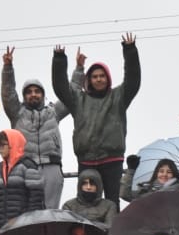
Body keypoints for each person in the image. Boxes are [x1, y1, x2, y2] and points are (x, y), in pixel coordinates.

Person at [52, 37, 141, 203]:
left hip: (112, 159)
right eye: (94, 76)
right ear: (89, 80)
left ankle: (112, 230)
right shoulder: (77, 100)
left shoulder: (119, 97)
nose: (99, 79)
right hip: (86, 160)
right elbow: (61, 87)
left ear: (107, 78)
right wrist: (59, 60)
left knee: (112, 203)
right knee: (87, 203)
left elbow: (133, 80)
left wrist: (129, 51)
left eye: (102, 76)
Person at [0, 46, 70, 209]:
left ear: (43, 95)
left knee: (50, 212)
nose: (33, 94)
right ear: (24, 96)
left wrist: (79, 70)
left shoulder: (53, 112)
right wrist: (8, 68)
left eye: (37, 91)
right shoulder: (17, 113)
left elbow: (69, 95)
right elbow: (8, 93)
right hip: (26, 167)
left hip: (52, 167)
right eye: (29, 92)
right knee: (28, 214)